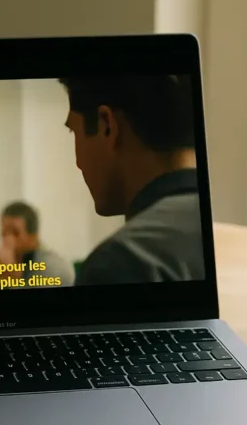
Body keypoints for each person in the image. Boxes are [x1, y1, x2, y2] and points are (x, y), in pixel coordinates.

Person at [58, 75, 205, 285]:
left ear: (106, 125)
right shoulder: (233, 236)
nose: (78, 163)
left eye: (74, 131)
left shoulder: (123, 262)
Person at [0, 201, 75, 287]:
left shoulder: (53, 268)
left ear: (34, 237)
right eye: (4, 233)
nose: (7, 240)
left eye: (15, 233)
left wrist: (12, 277)